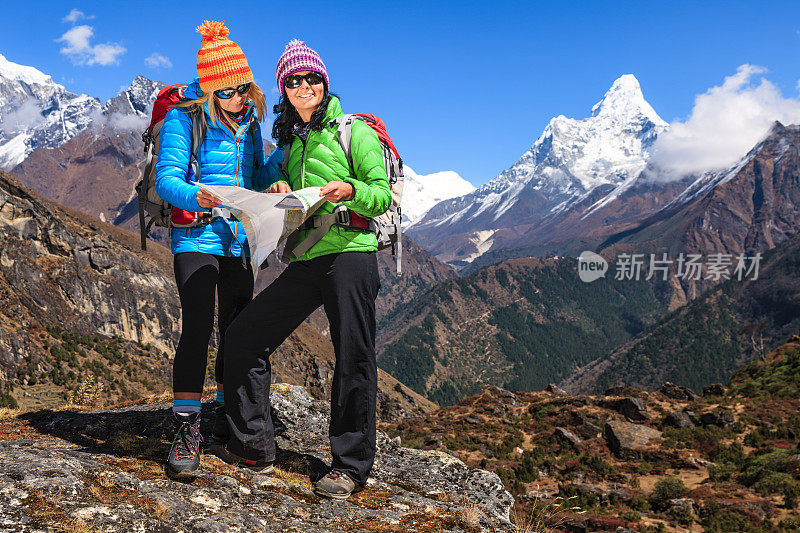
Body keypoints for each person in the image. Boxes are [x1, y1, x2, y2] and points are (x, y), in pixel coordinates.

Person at [211, 39, 391, 499]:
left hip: (352, 253)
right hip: (308, 258)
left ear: (324, 82)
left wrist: (348, 189)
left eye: (311, 78)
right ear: (283, 89)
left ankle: (350, 466)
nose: (303, 85)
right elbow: (261, 183)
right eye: (294, 80)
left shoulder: (355, 130)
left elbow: (381, 193)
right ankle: (253, 444)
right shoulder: (289, 141)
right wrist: (276, 183)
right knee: (244, 336)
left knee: (353, 357)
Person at [154, 20, 279, 479]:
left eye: (243, 89)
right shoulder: (183, 118)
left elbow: (252, 179)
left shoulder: (249, 123)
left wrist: (275, 175)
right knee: (197, 329)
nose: (237, 99)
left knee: (237, 329)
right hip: (195, 239)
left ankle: (230, 418)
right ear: (208, 90)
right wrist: (197, 196)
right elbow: (168, 179)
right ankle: (186, 429)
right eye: (227, 92)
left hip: (238, 239)